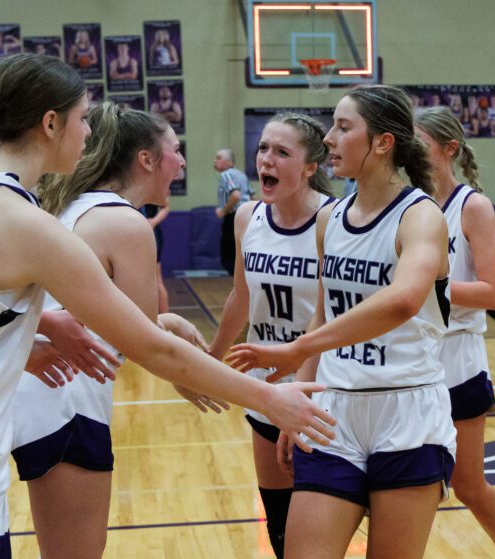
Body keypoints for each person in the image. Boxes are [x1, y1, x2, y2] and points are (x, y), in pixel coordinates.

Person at [0, 53, 336, 558]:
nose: (88, 135)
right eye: (81, 120)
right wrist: (271, 399)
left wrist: (31, 329)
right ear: (50, 124)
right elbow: (150, 349)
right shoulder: (21, 219)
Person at [228, 85, 457, 559]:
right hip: (334, 413)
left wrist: (295, 351)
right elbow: (321, 312)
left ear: (382, 142)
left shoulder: (421, 217)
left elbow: (404, 300)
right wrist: (299, 397)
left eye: (343, 126)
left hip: (407, 413)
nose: (329, 137)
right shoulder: (329, 219)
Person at [12, 103, 221, 559]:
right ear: (146, 160)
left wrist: (170, 322)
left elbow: (128, 324)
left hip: (34, 394)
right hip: (64, 400)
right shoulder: (124, 221)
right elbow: (145, 346)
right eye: (176, 150)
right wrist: (252, 394)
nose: (182, 161)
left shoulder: (73, 206)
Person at [209, 113, 335, 558]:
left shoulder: (333, 220)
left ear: (310, 167)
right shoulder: (248, 217)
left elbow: (332, 317)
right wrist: (208, 360)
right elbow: (240, 298)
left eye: (282, 152)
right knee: (280, 528)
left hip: (322, 386)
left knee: (320, 529)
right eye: (264, 148)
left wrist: (300, 388)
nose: (267, 159)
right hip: (267, 387)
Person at [416, 106, 495, 559]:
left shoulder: (473, 206)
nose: (412, 156)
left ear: (449, 149)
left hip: (459, 358)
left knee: (468, 485)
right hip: (417, 357)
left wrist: (428, 288)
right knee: (406, 481)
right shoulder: (413, 204)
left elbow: (494, 292)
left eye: (421, 147)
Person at [214, 148, 254, 274]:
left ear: (229, 162)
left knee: (230, 256)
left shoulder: (226, 174)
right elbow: (253, 197)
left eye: (218, 157)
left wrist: (223, 210)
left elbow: (236, 195)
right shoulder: (242, 175)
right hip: (249, 216)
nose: (215, 161)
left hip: (234, 217)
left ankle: (237, 287)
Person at [141, 201, 171, 312]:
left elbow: (166, 207)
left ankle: (166, 321)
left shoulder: (153, 187)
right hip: (131, 232)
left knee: (157, 280)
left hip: (151, 234)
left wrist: (153, 222)